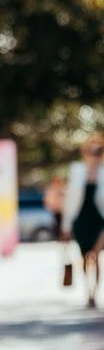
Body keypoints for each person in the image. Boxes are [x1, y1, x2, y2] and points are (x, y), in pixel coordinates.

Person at [61, 132, 104, 308]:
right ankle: (88, 290)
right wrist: (65, 225)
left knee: (97, 255)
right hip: (82, 220)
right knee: (85, 257)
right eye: (91, 151)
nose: (94, 156)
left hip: (100, 220)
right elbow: (70, 200)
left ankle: (95, 292)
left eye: (98, 152)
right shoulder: (77, 171)